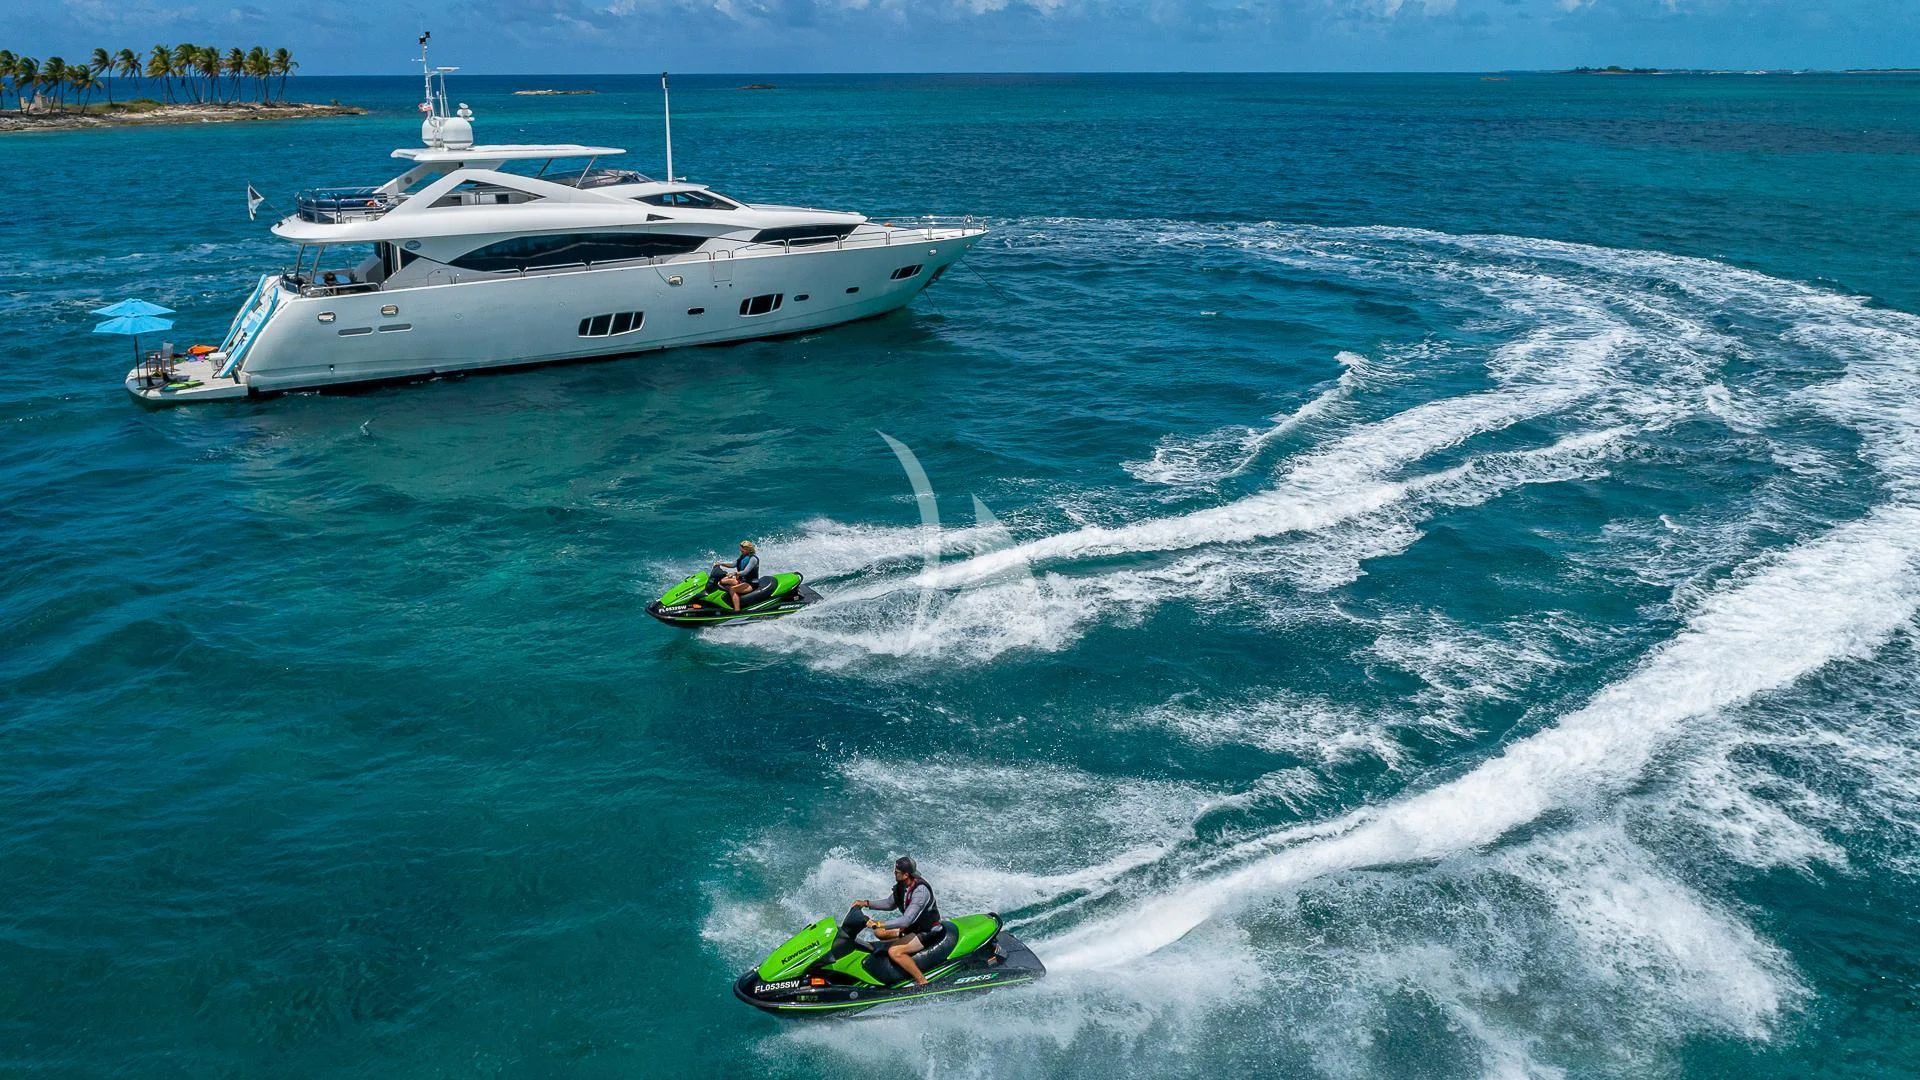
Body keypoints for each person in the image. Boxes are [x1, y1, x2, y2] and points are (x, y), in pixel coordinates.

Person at [852, 856, 941, 987]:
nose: (894, 873)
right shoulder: (903, 886)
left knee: (895, 951)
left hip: (927, 931)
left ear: (906, 874)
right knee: (879, 933)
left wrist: (878, 923)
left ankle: (922, 982)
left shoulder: (920, 892)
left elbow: (906, 921)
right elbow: (889, 904)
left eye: (897, 872)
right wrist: (866, 903)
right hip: (913, 928)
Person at [712, 540, 759, 611]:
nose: (740, 551)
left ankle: (737, 610)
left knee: (732, 589)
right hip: (742, 580)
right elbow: (733, 564)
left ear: (748, 549)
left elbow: (745, 572)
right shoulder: (743, 556)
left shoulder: (753, 559)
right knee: (722, 581)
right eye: (740, 549)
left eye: (742, 550)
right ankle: (727, 600)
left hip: (751, 583)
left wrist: (734, 573)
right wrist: (721, 563)